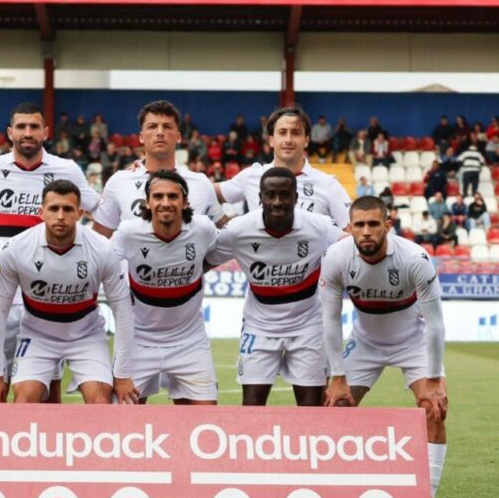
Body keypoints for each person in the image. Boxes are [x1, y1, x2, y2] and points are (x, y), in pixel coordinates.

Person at [0, 102, 100, 401]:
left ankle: (47, 444)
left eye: (34, 127)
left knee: (48, 383)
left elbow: (100, 207)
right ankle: (4, 443)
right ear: (10, 132)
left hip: (49, 287)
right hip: (6, 286)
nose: (27, 132)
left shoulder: (66, 168)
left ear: (45, 132)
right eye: (21, 127)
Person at [319, 195, 448, 498]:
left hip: (412, 340)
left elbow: (435, 322)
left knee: (435, 410)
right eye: (359, 225)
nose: (366, 232)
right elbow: (330, 319)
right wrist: (337, 376)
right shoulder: (335, 257)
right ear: (349, 227)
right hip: (365, 342)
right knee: (336, 410)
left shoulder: (415, 257)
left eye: (373, 224)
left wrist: (434, 379)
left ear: (387, 226)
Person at [0, 180, 139, 404]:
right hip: (37, 334)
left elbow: (123, 311)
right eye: (54, 209)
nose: (60, 216)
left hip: (86, 335)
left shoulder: (102, 249)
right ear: (41, 212)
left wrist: (122, 374)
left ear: (80, 213)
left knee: (100, 400)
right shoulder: (16, 249)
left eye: (68, 209)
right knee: (25, 398)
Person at [205, 167, 342, 407]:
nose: (278, 202)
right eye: (271, 195)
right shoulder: (239, 230)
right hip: (259, 328)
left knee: (313, 409)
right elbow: (201, 263)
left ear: (296, 198)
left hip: (308, 326)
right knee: (252, 407)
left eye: (285, 195)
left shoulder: (319, 226)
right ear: (260, 198)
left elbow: (351, 249)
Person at [110, 170, 219, 405]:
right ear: (148, 202)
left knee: (208, 419)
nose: (165, 203)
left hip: (190, 340)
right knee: (122, 422)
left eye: (173, 196)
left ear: (185, 202)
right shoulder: (128, 233)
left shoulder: (203, 229)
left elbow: (219, 252)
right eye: (158, 197)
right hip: (139, 340)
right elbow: (104, 267)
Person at [92, 100, 226, 237]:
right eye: (152, 126)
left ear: (179, 137)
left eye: (167, 127)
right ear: (141, 137)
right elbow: (99, 242)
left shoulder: (201, 183)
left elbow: (225, 239)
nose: (160, 132)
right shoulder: (118, 182)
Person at [215, 105, 351, 230]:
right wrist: (216, 214)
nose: (288, 140)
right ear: (271, 140)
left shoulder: (328, 184)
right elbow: (205, 190)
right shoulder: (251, 175)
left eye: (296, 133)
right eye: (282, 132)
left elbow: (352, 231)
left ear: (307, 140)